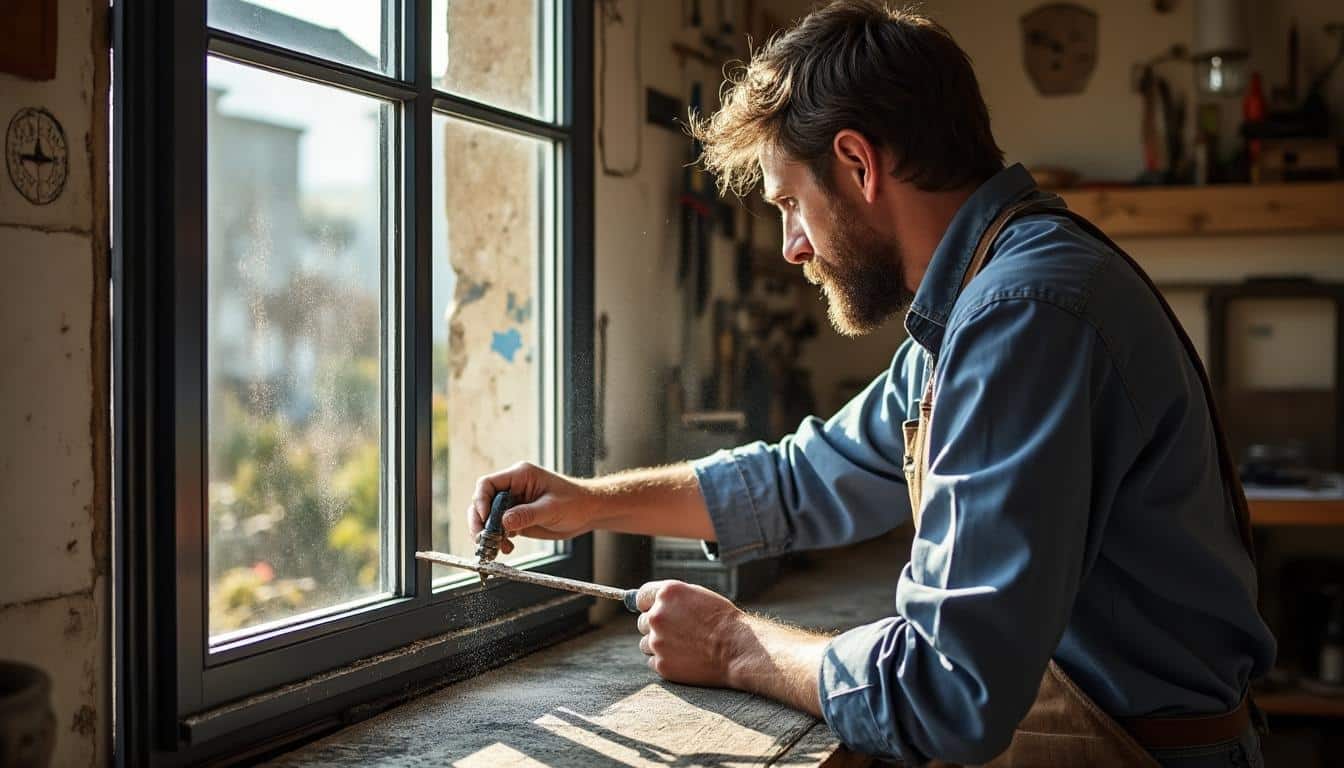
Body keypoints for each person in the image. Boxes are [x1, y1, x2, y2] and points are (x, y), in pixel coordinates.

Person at [468, 1, 1275, 764]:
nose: (792, 246)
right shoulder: (979, 299)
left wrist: (733, 644)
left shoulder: (1023, 311)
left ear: (857, 163)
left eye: (790, 203)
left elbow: (949, 691)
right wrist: (588, 502)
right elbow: (805, 478)